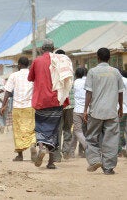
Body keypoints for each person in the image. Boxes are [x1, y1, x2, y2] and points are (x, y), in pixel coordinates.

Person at [28, 39, 72, 169]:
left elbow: (30, 78)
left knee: (41, 127)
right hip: (56, 100)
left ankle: (41, 147)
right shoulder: (60, 61)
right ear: (53, 48)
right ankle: (51, 162)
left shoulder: (37, 61)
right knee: (54, 130)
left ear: (42, 49)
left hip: (41, 101)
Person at [83, 47, 124, 175]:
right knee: (111, 140)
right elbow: (120, 91)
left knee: (91, 138)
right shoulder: (116, 72)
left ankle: (95, 160)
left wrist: (85, 109)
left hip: (96, 111)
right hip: (111, 112)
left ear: (98, 58)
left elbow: (89, 92)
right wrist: (121, 107)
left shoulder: (92, 72)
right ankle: (108, 168)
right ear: (109, 58)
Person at [1, 56, 37, 161]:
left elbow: (7, 91)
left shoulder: (14, 76)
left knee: (18, 131)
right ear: (28, 65)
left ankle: (20, 155)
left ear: (19, 65)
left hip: (17, 107)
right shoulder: (33, 75)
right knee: (31, 128)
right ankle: (33, 145)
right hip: (30, 106)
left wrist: (3, 105)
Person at [54, 49, 74, 162]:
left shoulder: (54, 69)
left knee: (58, 129)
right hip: (70, 105)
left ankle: (57, 155)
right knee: (67, 129)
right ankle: (66, 151)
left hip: (59, 104)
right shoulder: (70, 68)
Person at [70, 67, 88, 158]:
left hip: (78, 110)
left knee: (77, 131)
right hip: (88, 110)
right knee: (83, 132)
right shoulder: (89, 82)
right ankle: (75, 152)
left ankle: (87, 147)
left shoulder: (76, 82)